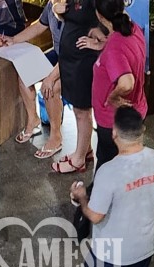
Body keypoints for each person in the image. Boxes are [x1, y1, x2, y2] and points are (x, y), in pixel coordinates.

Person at [70, 107, 154, 267]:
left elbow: (95, 216)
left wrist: (82, 198)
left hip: (110, 251)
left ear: (114, 133)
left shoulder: (108, 171)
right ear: (143, 130)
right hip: (144, 245)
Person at [77, 0, 147, 172]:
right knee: (127, 164)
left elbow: (126, 82)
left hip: (113, 121)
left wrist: (113, 96)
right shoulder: (133, 28)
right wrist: (103, 43)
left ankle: (95, 196)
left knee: (107, 167)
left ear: (99, 16)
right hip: (135, 112)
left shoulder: (115, 48)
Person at [0, 0, 64, 158]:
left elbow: (73, 51)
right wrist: (14, 39)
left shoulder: (76, 9)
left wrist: (50, 77)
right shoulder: (51, 5)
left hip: (74, 59)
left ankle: (56, 137)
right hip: (58, 53)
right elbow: (39, 26)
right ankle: (33, 120)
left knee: (51, 87)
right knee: (25, 73)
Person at [50, 0, 101, 173]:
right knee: (77, 108)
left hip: (84, 60)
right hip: (69, 59)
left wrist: (99, 41)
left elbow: (113, 21)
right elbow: (70, 16)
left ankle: (79, 160)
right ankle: (84, 150)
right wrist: (58, 11)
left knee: (82, 111)